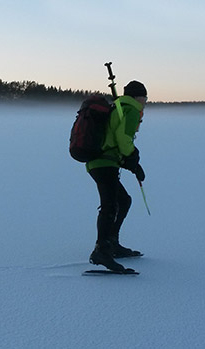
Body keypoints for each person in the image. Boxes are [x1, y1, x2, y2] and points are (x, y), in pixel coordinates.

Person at [86, 80, 147, 272]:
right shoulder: (130, 109)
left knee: (123, 200)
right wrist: (132, 156)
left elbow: (113, 137)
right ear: (138, 96)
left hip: (102, 161)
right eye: (145, 96)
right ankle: (101, 251)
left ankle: (111, 244)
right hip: (103, 162)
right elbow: (123, 138)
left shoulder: (118, 107)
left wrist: (129, 163)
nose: (146, 100)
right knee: (110, 205)